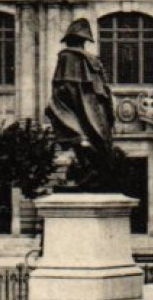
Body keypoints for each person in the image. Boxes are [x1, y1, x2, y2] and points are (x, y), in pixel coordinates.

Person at [44, 18, 118, 190]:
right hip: (96, 112)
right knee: (92, 143)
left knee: (79, 138)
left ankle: (90, 171)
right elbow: (105, 92)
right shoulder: (93, 61)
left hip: (80, 110)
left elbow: (62, 87)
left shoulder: (67, 57)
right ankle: (92, 172)